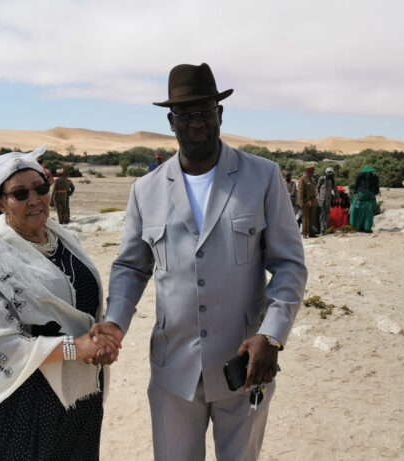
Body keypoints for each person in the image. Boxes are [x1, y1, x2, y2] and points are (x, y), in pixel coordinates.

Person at [92, 63, 307, 461]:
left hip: (245, 366)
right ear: (171, 122)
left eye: (205, 111)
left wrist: (273, 335)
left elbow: (290, 264)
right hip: (174, 369)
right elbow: (131, 267)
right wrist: (115, 323)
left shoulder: (262, 176)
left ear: (220, 115)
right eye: (186, 115)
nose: (196, 123)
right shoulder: (146, 190)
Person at [0, 147, 121, 460]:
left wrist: (100, 340)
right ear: (0, 203)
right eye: (20, 194)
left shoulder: (64, 239)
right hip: (18, 407)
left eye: (41, 188)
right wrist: (77, 346)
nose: (35, 199)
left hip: (75, 397)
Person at [349, 166, 380, 233]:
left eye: (369, 174)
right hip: (359, 198)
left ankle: (367, 228)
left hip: (370, 199)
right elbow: (355, 187)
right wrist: (357, 195)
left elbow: (377, 188)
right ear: (364, 173)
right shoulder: (359, 177)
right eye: (366, 174)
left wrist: (374, 195)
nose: (367, 175)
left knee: (369, 212)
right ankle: (356, 227)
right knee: (355, 210)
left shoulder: (374, 178)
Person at [297, 166, 318, 238]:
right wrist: (301, 203)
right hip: (305, 201)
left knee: (312, 217)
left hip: (312, 200)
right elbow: (300, 192)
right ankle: (305, 233)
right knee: (305, 218)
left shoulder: (312, 179)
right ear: (308, 172)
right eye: (312, 171)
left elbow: (314, 191)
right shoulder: (302, 180)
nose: (313, 173)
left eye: (313, 171)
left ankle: (311, 233)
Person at [316, 166, 338, 235]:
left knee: (326, 215)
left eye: (331, 173)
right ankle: (321, 230)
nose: (330, 174)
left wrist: (336, 198)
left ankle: (325, 229)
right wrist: (317, 197)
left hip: (328, 200)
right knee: (321, 215)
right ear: (326, 173)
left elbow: (335, 190)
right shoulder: (322, 179)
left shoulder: (333, 180)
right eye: (328, 173)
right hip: (321, 199)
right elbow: (317, 188)